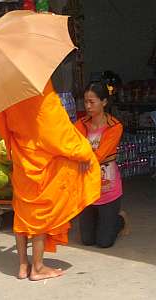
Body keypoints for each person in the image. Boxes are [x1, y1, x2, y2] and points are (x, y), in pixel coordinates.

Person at [0, 80, 101, 281]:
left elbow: (3, 126)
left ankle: (23, 266)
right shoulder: (37, 86)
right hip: (40, 157)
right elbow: (55, 129)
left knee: (23, 213)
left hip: (21, 155)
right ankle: (38, 267)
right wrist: (83, 151)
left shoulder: (3, 90)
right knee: (39, 216)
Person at [75, 82, 129, 248]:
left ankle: (120, 219)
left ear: (104, 102)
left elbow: (99, 154)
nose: (88, 106)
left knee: (104, 242)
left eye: (92, 102)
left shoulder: (115, 126)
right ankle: (104, 221)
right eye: (85, 102)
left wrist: (81, 155)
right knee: (87, 240)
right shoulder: (80, 124)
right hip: (86, 188)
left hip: (108, 188)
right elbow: (72, 148)